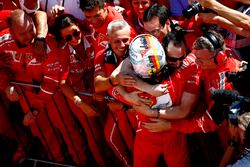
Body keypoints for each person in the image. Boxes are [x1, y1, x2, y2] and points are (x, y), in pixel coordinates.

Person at [0, 9, 88, 166]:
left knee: (67, 128)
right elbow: (1, 69)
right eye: (23, 34)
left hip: (52, 94)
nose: (29, 36)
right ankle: (57, 162)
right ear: (12, 32)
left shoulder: (47, 42)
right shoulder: (3, 41)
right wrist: (6, 85)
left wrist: (35, 110)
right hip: (26, 93)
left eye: (30, 30)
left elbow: (52, 81)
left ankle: (80, 162)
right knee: (41, 131)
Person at [124, 33, 200, 167]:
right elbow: (115, 80)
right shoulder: (133, 73)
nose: (178, 63)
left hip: (174, 134)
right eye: (172, 59)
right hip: (146, 136)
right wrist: (127, 95)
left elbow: (184, 111)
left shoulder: (186, 69)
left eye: (182, 57)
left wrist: (152, 113)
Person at [53, 13, 107, 167]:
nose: (75, 38)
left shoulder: (90, 36)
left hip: (97, 88)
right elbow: (62, 84)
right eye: (68, 37)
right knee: (93, 133)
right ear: (63, 39)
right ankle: (101, 163)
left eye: (76, 33)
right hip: (77, 95)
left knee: (108, 126)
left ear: (78, 26)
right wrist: (81, 103)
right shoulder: (62, 50)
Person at [94, 19, 137, 167]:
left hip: (139, 111)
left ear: (131, 37)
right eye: (116, 41)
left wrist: (125, 105)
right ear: (108, 39)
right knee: (126, 145)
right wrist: (114, 80)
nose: (122, 45)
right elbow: (98, 85)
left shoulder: (140, 53)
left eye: (125, 40)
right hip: (122, 112)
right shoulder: (101, 55)